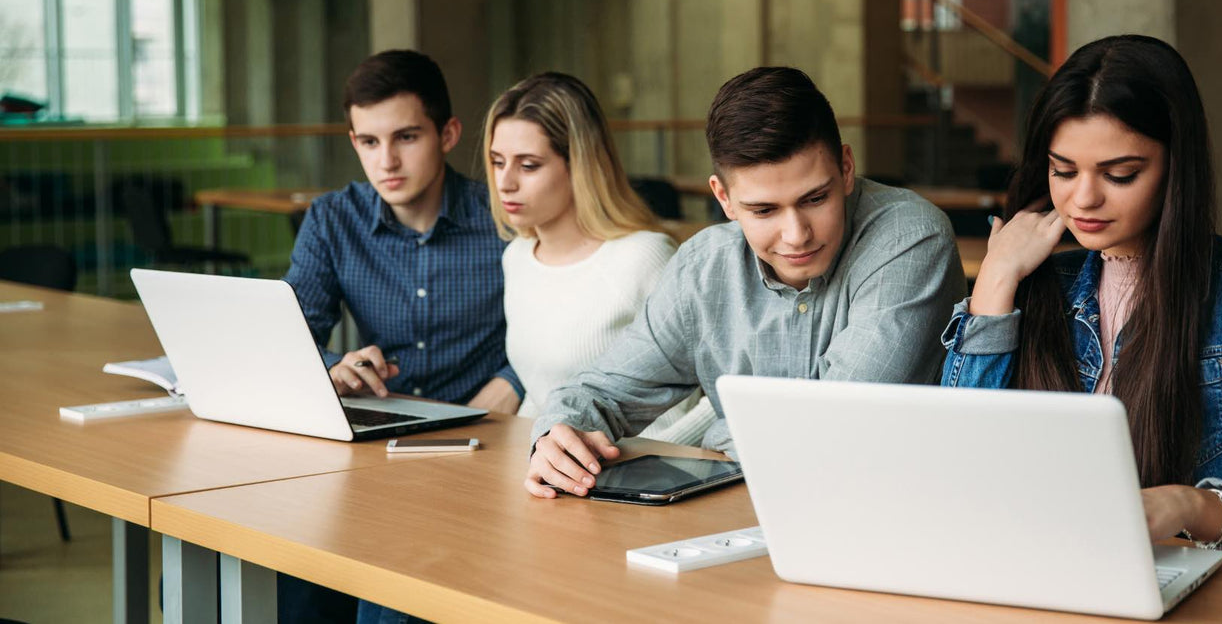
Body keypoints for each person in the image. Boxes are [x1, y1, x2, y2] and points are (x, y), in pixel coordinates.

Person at [940, 35, 1222, 565]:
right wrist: (994, 281)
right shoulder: (1038, 286)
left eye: (1120, 174)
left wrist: (1189, 506)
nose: (1083, 198)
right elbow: (952, 472)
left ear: (1176, 168)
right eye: (1063, 171)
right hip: (1029, 575)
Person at [523, 66, 967, 498]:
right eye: (764, 210)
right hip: (741, 515)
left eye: (815, 198)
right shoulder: (704, 266)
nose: (796, 234)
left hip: (879, 513)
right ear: (724, 197)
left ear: (846, 168)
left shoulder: (910, 239)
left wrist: (718, 438)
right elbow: (601, 393)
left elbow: (836, 427)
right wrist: (555, 437)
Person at [282, 50, 517, 623]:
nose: (385, 160)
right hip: (368, 456)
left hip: (476, 457)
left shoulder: (506, 220)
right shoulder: (332, 219)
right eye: (367, 141)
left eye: (406, 137)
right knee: (246, 585)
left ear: (448, 134)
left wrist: (513, 383)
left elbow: (567, 327)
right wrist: (333, 366)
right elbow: (290, 340)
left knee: (387, 610)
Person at [484, 71, 714, 442]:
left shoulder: (643, 257)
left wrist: (658, 459)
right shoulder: (517, 257)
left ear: (579, 165)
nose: (505, 182)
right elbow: (540, 395)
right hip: (557, 474)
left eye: (528, 165)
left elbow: (715, 391)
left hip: (645, 476)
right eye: (497, 162)